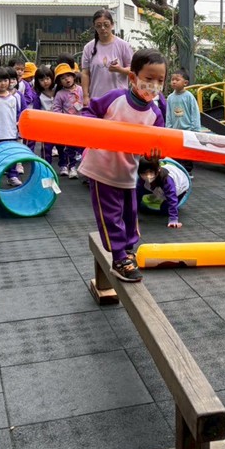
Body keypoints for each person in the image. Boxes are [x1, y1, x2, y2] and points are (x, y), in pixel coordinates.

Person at [78, 48, 167, 282]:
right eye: (149, 78)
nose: (154, 85)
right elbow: (88, 112)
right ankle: (119, 257)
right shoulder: (115, 98)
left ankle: (128, 249)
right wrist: (95, 131)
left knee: (130, 213)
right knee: (111, 215)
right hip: (102, 167)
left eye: (160, 80)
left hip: (128, 171)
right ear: (133, 77)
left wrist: (154, 155)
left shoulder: (155, 114)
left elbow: (156, 146)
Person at [0, 66, 26, 187]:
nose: (3, 83)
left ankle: (12, 176)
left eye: (5, 80)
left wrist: (19, 130)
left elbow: (18, 116)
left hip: (11, 133)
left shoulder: (13, 98)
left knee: (12, 155)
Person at [80, 8, 134, 104]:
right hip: (96, 99)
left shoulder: (124, 45)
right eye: (99, 25)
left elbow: (133, 70)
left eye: (106, 25)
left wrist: (120, 69)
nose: (103, 28)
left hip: (119, 100)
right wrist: (85, 96)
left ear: (112, 25)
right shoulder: (88, 48)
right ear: (94, 27)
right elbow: (85, 73)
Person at [164, 68, 201, 173]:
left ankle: (187, 171)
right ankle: (175, 170)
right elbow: (168, 114)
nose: (174, 82)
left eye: (177, 79)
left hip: (188, 130)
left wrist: (195, 129)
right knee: (175, 150)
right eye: (172, 79)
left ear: (185, 83)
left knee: (187, 151)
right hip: (175, 130)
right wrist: (168, 128)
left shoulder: (189, 96)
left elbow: (195, 112)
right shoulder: (170, 98)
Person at [137, 156, 190, 228]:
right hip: (157, 185)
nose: (147, 176)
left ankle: (162, 200)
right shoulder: (142, 179)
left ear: (158, 170)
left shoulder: (167, 181)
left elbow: (172, 199)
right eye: (144, 173)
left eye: (151, 172)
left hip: (181, 185)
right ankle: (155, 194)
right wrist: (133, 214)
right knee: (139, 196)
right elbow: (136, 196)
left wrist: (173, 219)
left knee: (164, 209)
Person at [53, 61, 85, 178]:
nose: (66, 79)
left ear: (73, 76)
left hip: (82, 124)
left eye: (68, 76)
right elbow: (56, 108)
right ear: (59, 82)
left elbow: (87, 103)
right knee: (69, 148)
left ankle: (84, 169)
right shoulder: (60, 94)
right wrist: (62, 120)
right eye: (63, 78)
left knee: (83, 147)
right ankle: (72, 167)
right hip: (68, 125)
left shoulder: (81, 90)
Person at [33, 65, 57, 165]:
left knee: (62, 146)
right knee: (46, 147)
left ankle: (64, 165)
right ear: (37, 82)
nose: (45, 82)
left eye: (47, 78)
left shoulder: (57, 91)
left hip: (58, 122)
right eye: (42, 80)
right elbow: (36, 111)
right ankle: (47, 165)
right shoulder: (39, 96)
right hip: (46, 124)